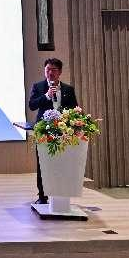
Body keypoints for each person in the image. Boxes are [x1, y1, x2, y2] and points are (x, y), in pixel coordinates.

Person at [28, 57, 78, 204]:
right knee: (43, 164)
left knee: (61, 163)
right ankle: (42, 196)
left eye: (53, 70)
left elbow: (74, 109)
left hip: (63, 132)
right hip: (44, 131)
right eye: (48, 69)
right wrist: (46, 96)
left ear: (60, 72)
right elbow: (32, 105)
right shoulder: (38, 87)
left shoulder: (68, 89)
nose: (50, 73)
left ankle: (60, 194)